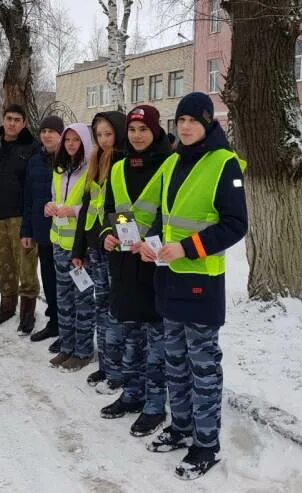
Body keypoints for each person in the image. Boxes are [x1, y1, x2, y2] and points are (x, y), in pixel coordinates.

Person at [140, 92, 248, 480]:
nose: (184, 127)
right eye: (180, 120)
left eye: (192, 121)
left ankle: (206, 443)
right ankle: (181, 427)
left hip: (201, 281)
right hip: (168, 278)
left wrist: (185, 248)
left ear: (207, 124)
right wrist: (151, 245)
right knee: (175, 361)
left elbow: (235, 225)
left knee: (202, 367)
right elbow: (162, 216)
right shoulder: (173, 161)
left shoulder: (224, 163)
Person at [98, 105, 172, 438]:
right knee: (130, 333)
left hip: (155, 263)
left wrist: (150, 243)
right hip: (125, 263)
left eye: (144, 129)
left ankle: (155, 405)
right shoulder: (117, 167)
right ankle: (132, 393)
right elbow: (112, 210)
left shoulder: (170, 165)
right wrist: (109, 235)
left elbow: (171, 213)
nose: (137, 136)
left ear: (155, 131)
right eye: (132, 129)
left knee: (156, 338)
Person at [71, 111, 126, 387]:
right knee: (100, 306)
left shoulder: (123, 161)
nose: (104, 140)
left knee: (114, 310)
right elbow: (86, 212)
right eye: (99, 135)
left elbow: (120, 210)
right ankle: (105, 364)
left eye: (108, 134)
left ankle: (118, 368)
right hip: (95, 247)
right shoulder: (95, 161)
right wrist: (78, 250)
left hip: (114, 248)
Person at [0, 104, 40, 332]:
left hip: (19, 217)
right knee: (1, 263)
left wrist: (30, 222)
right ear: (3, 119)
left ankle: (27, 313)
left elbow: (33, 186)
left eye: (17, 119)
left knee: (25, 265)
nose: (12, 123)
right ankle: (7, 306)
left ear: (23, 123)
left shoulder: (32, 148)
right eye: (9, 118)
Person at [47, 123, 96, 372]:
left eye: (76, 140)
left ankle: (84, 350)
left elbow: (93, 206)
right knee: (63, 299)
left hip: (81, 248)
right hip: (58, 243)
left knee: (83, 300)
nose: (71, 144)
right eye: (68, 140)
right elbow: (56, 198)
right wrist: (51, 206)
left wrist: (72, 210)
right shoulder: (59, 170)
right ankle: (67, 347)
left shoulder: (91, 171)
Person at [21, 115, 64, 347]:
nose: (47, 135)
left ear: (61, 134)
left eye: (52, 131)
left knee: (66, 281)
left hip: (67, 231)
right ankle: (55, 322)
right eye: (44, 130)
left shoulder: (71, 160)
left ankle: (69, 325)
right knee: (49, 277)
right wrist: (26, 231)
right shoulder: (34, 161)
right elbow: (28, 199)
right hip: (43, 230)